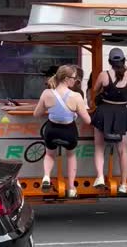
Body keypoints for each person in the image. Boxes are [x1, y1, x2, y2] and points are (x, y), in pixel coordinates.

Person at [33, 65, 92, 198]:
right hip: (68, 132)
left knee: (49, 155)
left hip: (51, 130)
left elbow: (37, 114)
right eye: (74, 78)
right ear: (66, 79)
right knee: (70, 156)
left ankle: (46, 177)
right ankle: (71, 188)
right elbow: (87, 120)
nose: (75, 80)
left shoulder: (46, 93)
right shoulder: (76, 96)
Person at [91, 48, 127, 194]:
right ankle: (124, 184)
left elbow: (94, 89)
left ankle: (100, 177)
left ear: (110, 61)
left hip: (104, 112)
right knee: (123, 151)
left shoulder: (104, 75)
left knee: (99, 148)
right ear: (124, 60)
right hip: (122, 113)